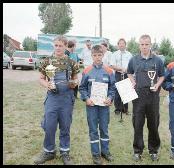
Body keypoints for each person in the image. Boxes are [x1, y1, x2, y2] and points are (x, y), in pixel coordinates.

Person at [34, 35, 80, 165]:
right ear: (53, 46)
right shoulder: (47, 62)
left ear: (66, 46)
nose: (58, 48)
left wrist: (74, 83)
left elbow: (76, 78)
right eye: (56, 45)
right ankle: (49, 151)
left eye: (61, 45)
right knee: (49, 126)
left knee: (65, 126)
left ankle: (65, 152)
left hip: (66, 99)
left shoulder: (72, 62)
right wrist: (46, 85)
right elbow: (41, 78)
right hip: (52, 99)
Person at [127, 35, 164, 161]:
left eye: (146, 44)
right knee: (138, 124)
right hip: (138, 96)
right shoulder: (134, 60)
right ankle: (137, 150)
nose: (144, 46)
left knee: (153, 124)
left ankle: (153, 150)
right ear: (139, 45)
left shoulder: (157, 60)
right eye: (142, 44)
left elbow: (162, 76)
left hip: (153, 96)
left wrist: (158, 85)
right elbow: (129, 73)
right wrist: (132, 81)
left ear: (150, 45)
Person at [79, 45, 116, 165]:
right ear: (91, 56)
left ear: (103, 55)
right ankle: (95, 154)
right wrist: (86, 98)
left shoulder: (109, 71)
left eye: (99, 55)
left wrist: (110, 98)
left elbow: (112, 88)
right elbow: (82, 88)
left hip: (104, 106)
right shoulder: (86, 71)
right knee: (93, 130)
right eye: (95, 55)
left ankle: (105, 151)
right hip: (91, 106)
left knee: (104, 129)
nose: (97, 57)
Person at [110, 38, 132, 115]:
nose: (122, 45)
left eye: (123, 43)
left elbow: (131, 65)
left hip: (126, 74)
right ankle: (117, 109)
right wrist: (120, 68)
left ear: (125, 45)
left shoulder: (129, 54)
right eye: (120, 43)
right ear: (118, 45)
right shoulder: (114, 54)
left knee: (126, 92)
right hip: (118, 74)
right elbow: (112, 65)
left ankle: (125, 109)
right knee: (117, 92)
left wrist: (127, 70)